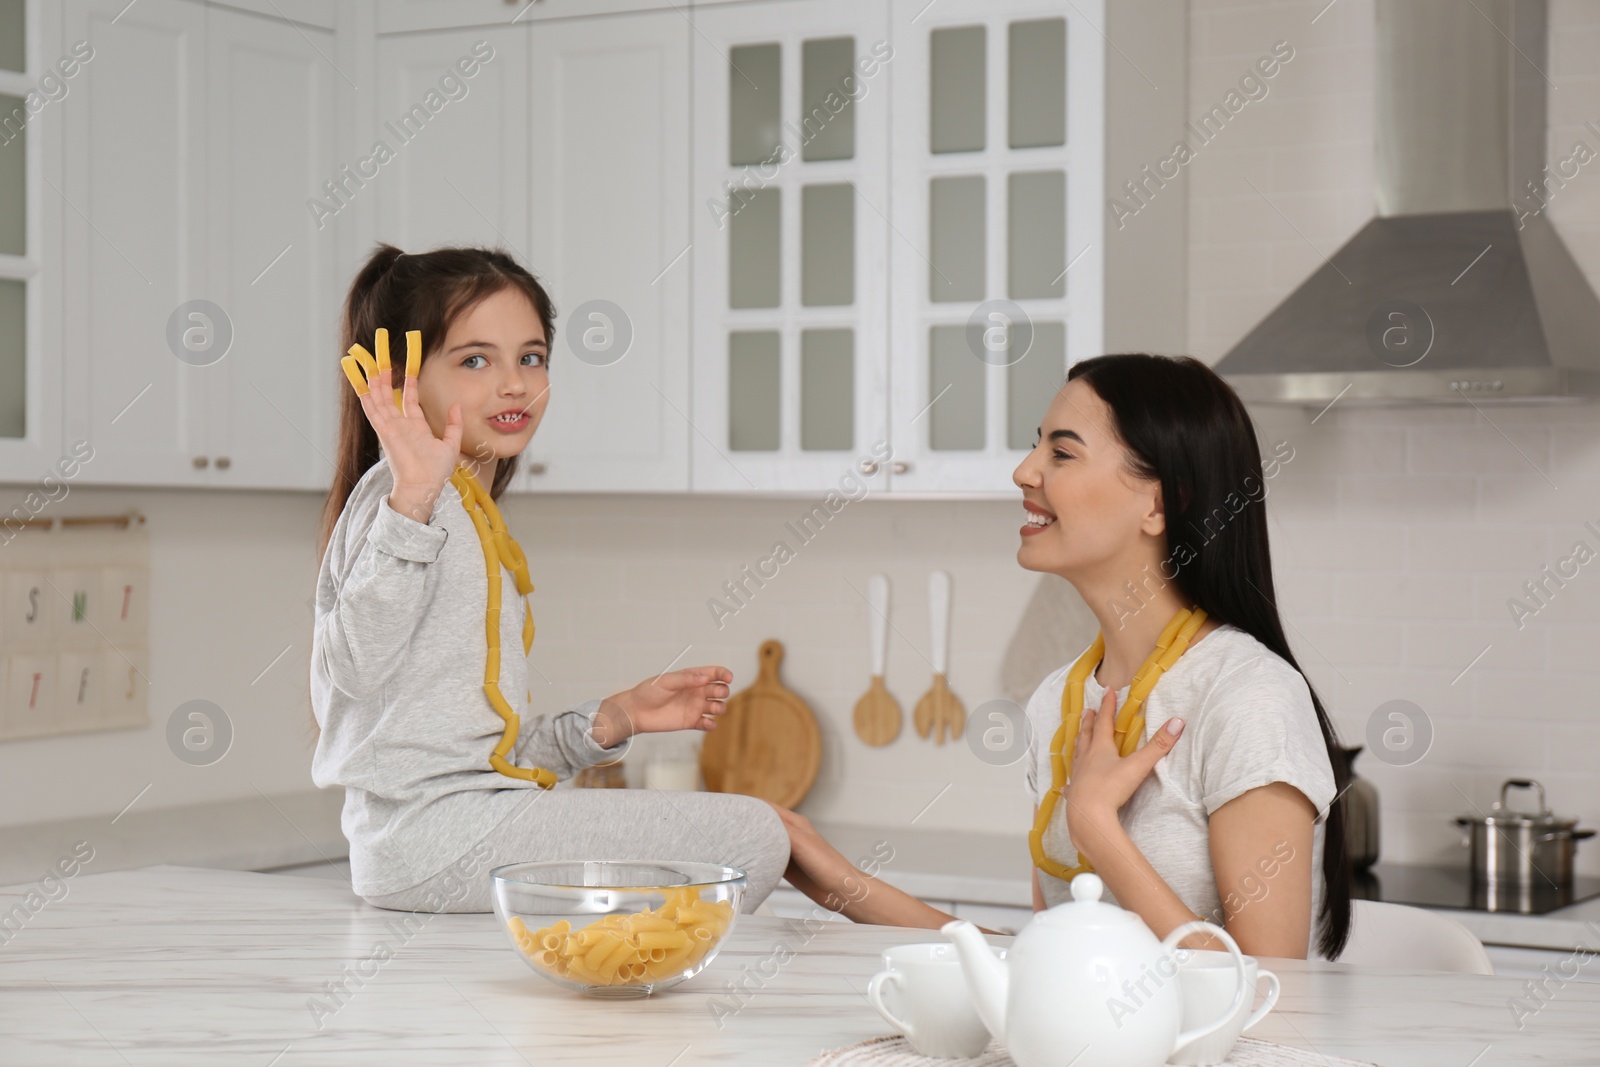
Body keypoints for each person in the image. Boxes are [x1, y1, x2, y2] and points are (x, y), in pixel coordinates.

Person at [774, 354, 1350, 960]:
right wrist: (843, 885)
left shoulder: (1247, 697)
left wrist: (1098, 825)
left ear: (1160, 504)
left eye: (1062, 453)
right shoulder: (1062, 699)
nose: (1024, 472)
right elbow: (1052, 960)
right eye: (1036, 448)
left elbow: (1270, 988)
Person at [311, 243, 789, 913]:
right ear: (402, 382)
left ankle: (966, 951)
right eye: (475, 359)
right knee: (759, 834)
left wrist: (613, 718)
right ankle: (965, 954)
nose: (514, 384)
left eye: (530, 357)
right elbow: (352, 667)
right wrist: (413, 500)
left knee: (769, 832)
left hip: (448, 832)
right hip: (430, 843)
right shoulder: (403, 503)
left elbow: (477, 760)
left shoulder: (463, 511)